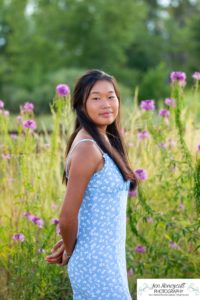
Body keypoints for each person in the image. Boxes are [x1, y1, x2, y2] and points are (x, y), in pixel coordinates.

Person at [45, 69, 138, 299]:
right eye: (96, 98)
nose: (106, 104)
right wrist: (69, 250)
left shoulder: (104, 139)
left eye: (111, 96)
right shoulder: (88, 147)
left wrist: (74, 241)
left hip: (108, 260)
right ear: (80, 104)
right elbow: (67, 217)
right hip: (96, 267)